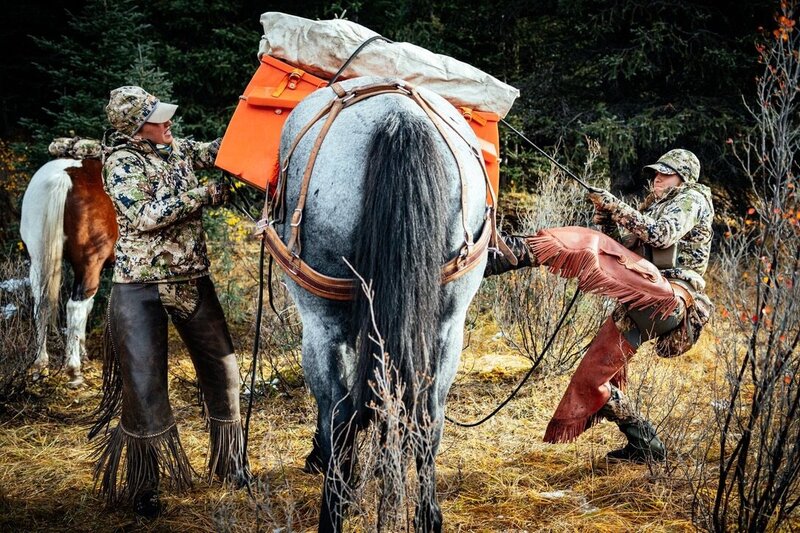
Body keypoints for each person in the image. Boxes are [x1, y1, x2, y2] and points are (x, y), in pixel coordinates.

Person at [485, 149, 714, 463]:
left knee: (588, 243)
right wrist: (607, 219)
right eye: (655, 172)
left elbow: (660, 236)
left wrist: (615, 206)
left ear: (683, 178)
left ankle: (508, 253)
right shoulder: (657, 206)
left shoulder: (692, 200)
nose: (656, 178)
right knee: (591, 379)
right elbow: (622, 251)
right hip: (643, 301)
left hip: (669, 297)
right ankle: (645, 444)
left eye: (665, 173)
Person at [89, 86, 250, 518]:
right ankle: (146, 487)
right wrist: (206, 195)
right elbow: (144, 216)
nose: (169, 124)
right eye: (159, 120)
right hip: (138, 288)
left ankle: (231, 463)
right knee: (144, 388)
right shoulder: (121, 163)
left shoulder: (176, 148)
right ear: (137, 130)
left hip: (192, 280)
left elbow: (219, 151)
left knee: (224, 370)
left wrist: (258, 128)